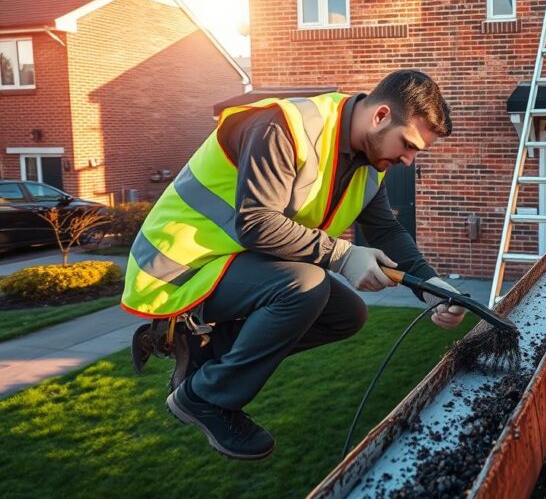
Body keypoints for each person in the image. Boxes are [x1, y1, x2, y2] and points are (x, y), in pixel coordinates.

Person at [121, 70, 466, 460]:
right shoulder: (285, 127)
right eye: (408, 144)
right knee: (306, 285)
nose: (408, 159)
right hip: (180, 265)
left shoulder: (369, 165)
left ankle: (204, 349)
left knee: (346, 314)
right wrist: (343, 255)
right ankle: (203, 397)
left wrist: (431, 286)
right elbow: (257, 224)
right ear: (381, 115)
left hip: (235, 263)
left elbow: (386, 231)